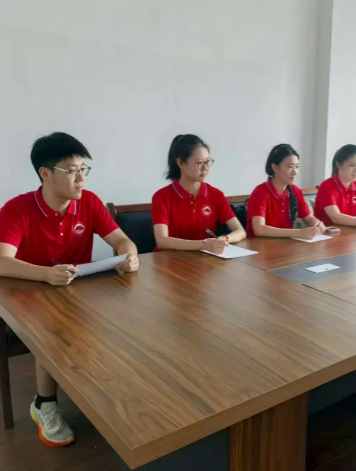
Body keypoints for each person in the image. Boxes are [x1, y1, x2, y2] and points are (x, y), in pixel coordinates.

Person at [0, 132, 140, 447]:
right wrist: (45, 274)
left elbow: (121, 240)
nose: (81, 179)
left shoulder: (88, 202)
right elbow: (2, 261)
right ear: (45, 174)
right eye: (72, 171)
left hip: (78, 291)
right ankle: (44, 404)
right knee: (52, 326)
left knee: (129, 314)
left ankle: (109, 394)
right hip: (30, 293)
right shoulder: (17, 208)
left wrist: (128, 256)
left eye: (83, 169)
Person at [152, 134, 246, 254]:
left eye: (208, 162)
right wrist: (203, 244)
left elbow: (240, 231)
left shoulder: (216, 195)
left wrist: (224, 239)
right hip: (169, 260)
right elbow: (162, 241)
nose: (205, 168)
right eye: (199, 163)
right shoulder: (162, 197)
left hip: (204, 260)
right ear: (180, 163)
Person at [246, 144, 325, 239]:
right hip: (260, 246)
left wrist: (316, 224)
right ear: (275, 167)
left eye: (297, 167)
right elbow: (259, 229)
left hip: (286, 245)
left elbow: (308, 218)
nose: (295, 172)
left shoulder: (295, 191)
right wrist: (297, 233)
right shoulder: (260, 192)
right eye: (290, 167)